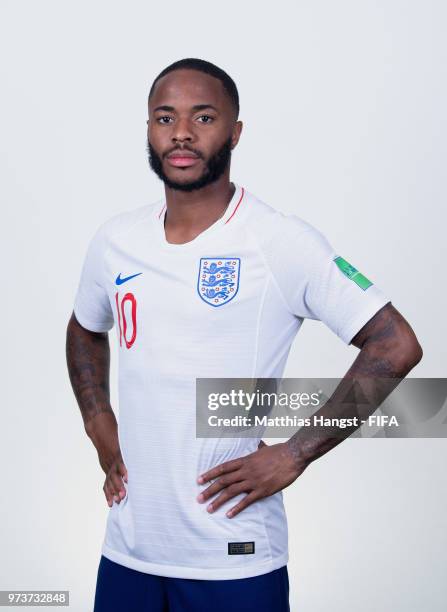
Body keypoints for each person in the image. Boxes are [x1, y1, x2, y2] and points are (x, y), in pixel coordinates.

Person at [66, 58, 423, 612]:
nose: (182, 132)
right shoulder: (116, 240)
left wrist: (295, 454)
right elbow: (85, 328)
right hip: (129, 551)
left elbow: (395, 343)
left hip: (234, 560)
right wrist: (97, 420)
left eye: (203, 117)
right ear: (148, 130)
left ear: (235, 132)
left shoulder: (279, 241)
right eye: (165, 118)